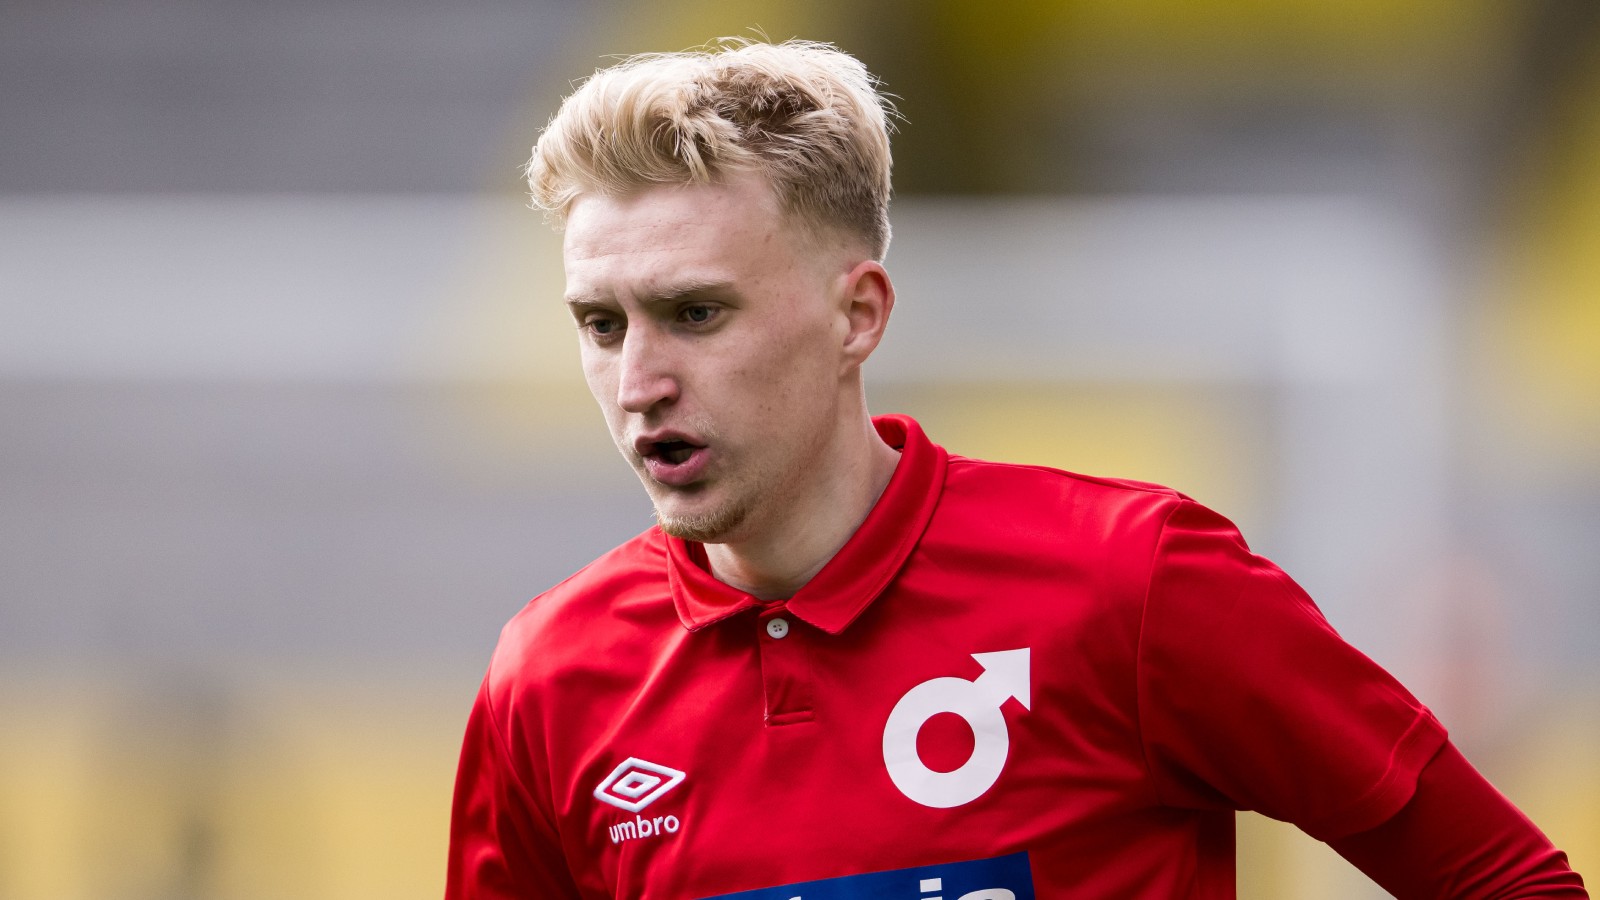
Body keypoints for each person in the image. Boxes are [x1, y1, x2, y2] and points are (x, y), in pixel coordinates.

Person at [445, 39, 1587, 899]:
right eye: (601, 325)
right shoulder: (550, 679)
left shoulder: (1133, 583)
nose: (640, 379)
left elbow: (1503, 881)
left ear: (857, 315)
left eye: (696, 313)